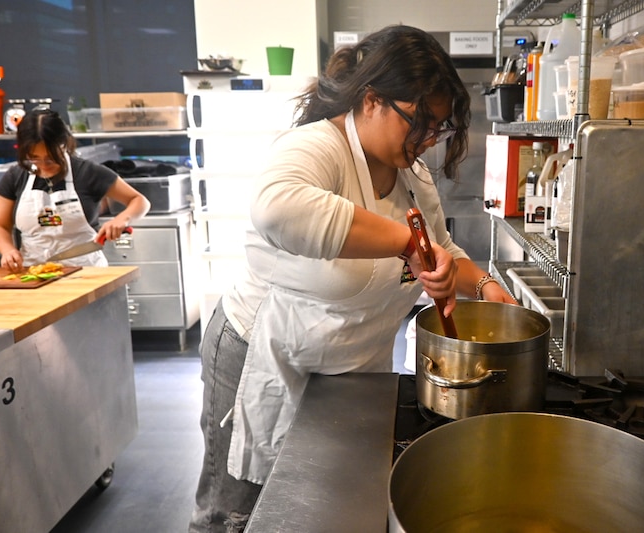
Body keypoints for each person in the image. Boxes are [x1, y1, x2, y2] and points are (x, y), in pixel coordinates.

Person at [188, 24, 517, 533]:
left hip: (349, 373)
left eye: (437, 129)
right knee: (231, 517)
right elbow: (277, 207)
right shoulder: (319, 148)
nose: (428, 141)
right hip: (266, 359)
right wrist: (403, 241)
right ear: (371, 101)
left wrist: (483, 286)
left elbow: (441, 246)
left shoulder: (411, 171)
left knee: (322, 510)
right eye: (420, 123)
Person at [0, 108, 150, 270]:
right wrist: (7, 250)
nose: (43, 166)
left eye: (51, 158)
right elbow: (0, 227)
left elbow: (139, 201)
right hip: (33, 272)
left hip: (86, 271)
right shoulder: (16, 176)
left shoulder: (88, 172)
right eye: (34, 158)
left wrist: (122, 219)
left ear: (65, 144)